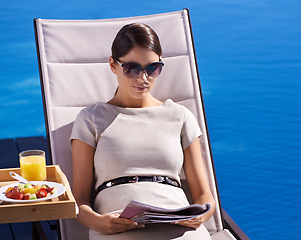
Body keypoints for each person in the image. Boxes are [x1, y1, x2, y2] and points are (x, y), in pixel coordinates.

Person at [70, 23, 216, 240]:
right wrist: (98, 222)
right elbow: (79, 198)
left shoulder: (180, 116)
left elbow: (205, 196)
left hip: (179, 228)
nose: (143, 78)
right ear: (113, 65)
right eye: (132, 69)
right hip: (117, 228)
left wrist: (200, 217)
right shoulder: (91, 118)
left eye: (152, 68)